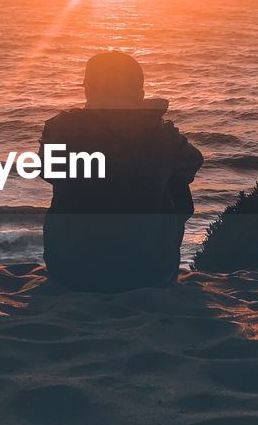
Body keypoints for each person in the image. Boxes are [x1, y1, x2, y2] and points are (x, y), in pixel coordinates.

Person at [40, 51, 203, 292]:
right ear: (139, 91)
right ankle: (148, 247)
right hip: (149, 273)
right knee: (175, 180)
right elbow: (192, 163)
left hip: (69, 271)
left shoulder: (60, 129)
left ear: (90, 90)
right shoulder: (163, 134)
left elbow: (48, 172)